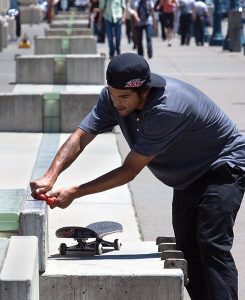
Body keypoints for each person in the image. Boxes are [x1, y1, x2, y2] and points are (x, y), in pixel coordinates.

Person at [30, 53, 245, 300]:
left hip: (224, 167)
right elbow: (81, 136)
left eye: (123, 97)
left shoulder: (167, 108)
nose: (116, 103)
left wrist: (75, 192)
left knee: (211, 242)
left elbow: (129, 170)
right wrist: (50, 175)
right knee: (187, 248)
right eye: (112, 94)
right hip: (188, 176)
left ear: (144, 91)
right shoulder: (113, 97)